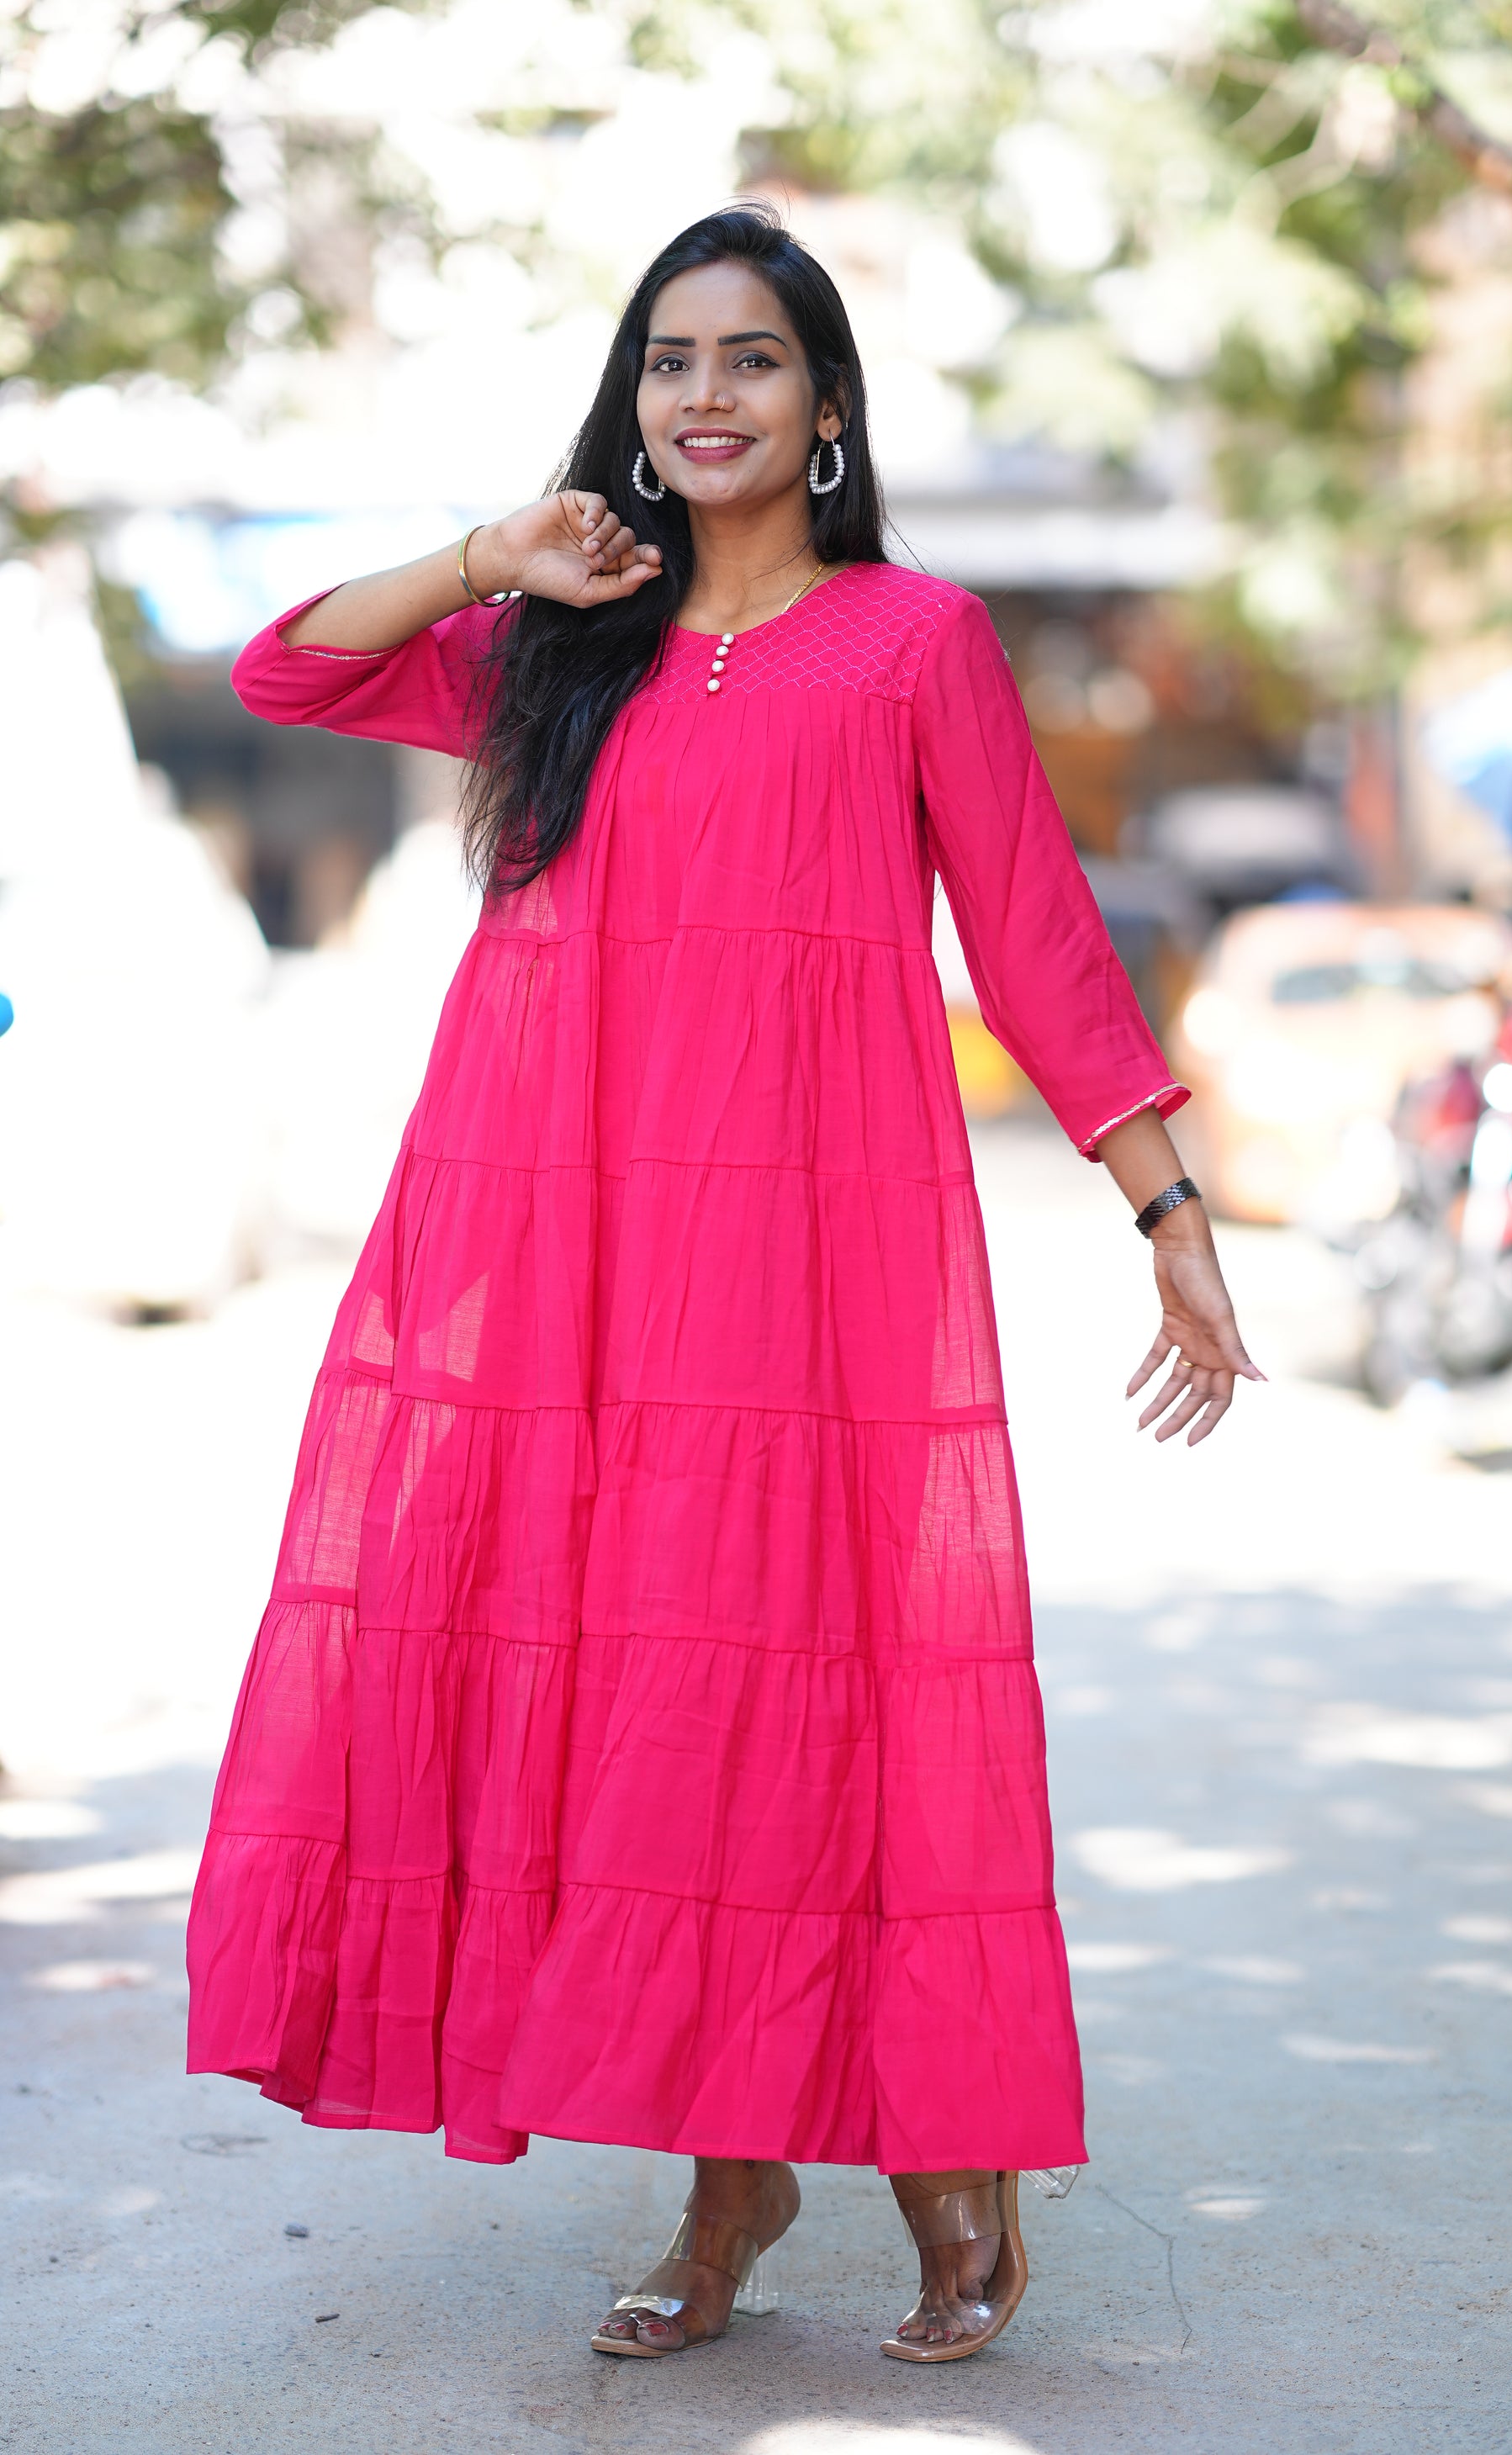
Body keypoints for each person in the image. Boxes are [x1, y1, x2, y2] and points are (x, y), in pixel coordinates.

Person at [186, 201, 1261, 2366]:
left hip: (808, 1250)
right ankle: (728, 2176)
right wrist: (495, 555)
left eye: (750, 358)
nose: (705, 395)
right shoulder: (562, 646)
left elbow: (1037, 941)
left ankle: (942, 2155)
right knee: (636, 1708)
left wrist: (1167, 1213)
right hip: (561, 1254)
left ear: (825, 402)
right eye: (669, 359)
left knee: (817, 1683)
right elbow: (286, 668)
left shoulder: (915, 643)